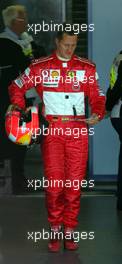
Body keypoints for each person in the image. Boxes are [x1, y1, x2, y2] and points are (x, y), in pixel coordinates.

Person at [8, 25, 105, 251]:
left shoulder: (87, 68)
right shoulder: (40, 67)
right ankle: (54, 230)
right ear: (56, 42)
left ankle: (69, 231)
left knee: (73, 187)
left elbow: (98, 95)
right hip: (52, 132)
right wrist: (19, 110)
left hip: (78, 131)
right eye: (66, 44)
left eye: (74, 45)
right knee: (54, 186)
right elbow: (16, 86)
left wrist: (98, 113)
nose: (70, 49)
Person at [0, 5, 45, 194]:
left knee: (23, 139)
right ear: (12, 22)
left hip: (25, 99)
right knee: (12, 141)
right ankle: (14, 181)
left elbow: (39, 58)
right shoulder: (4, 43)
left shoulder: (26, 41)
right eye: (23, 19)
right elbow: (24, 64)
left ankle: (18, 178)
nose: (26, 22)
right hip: (9, 100)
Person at [106, 51, 122, 211]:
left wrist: (107, 107)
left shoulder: (119, 56)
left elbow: (114, 85)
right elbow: (119, 86)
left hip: (117, 112)